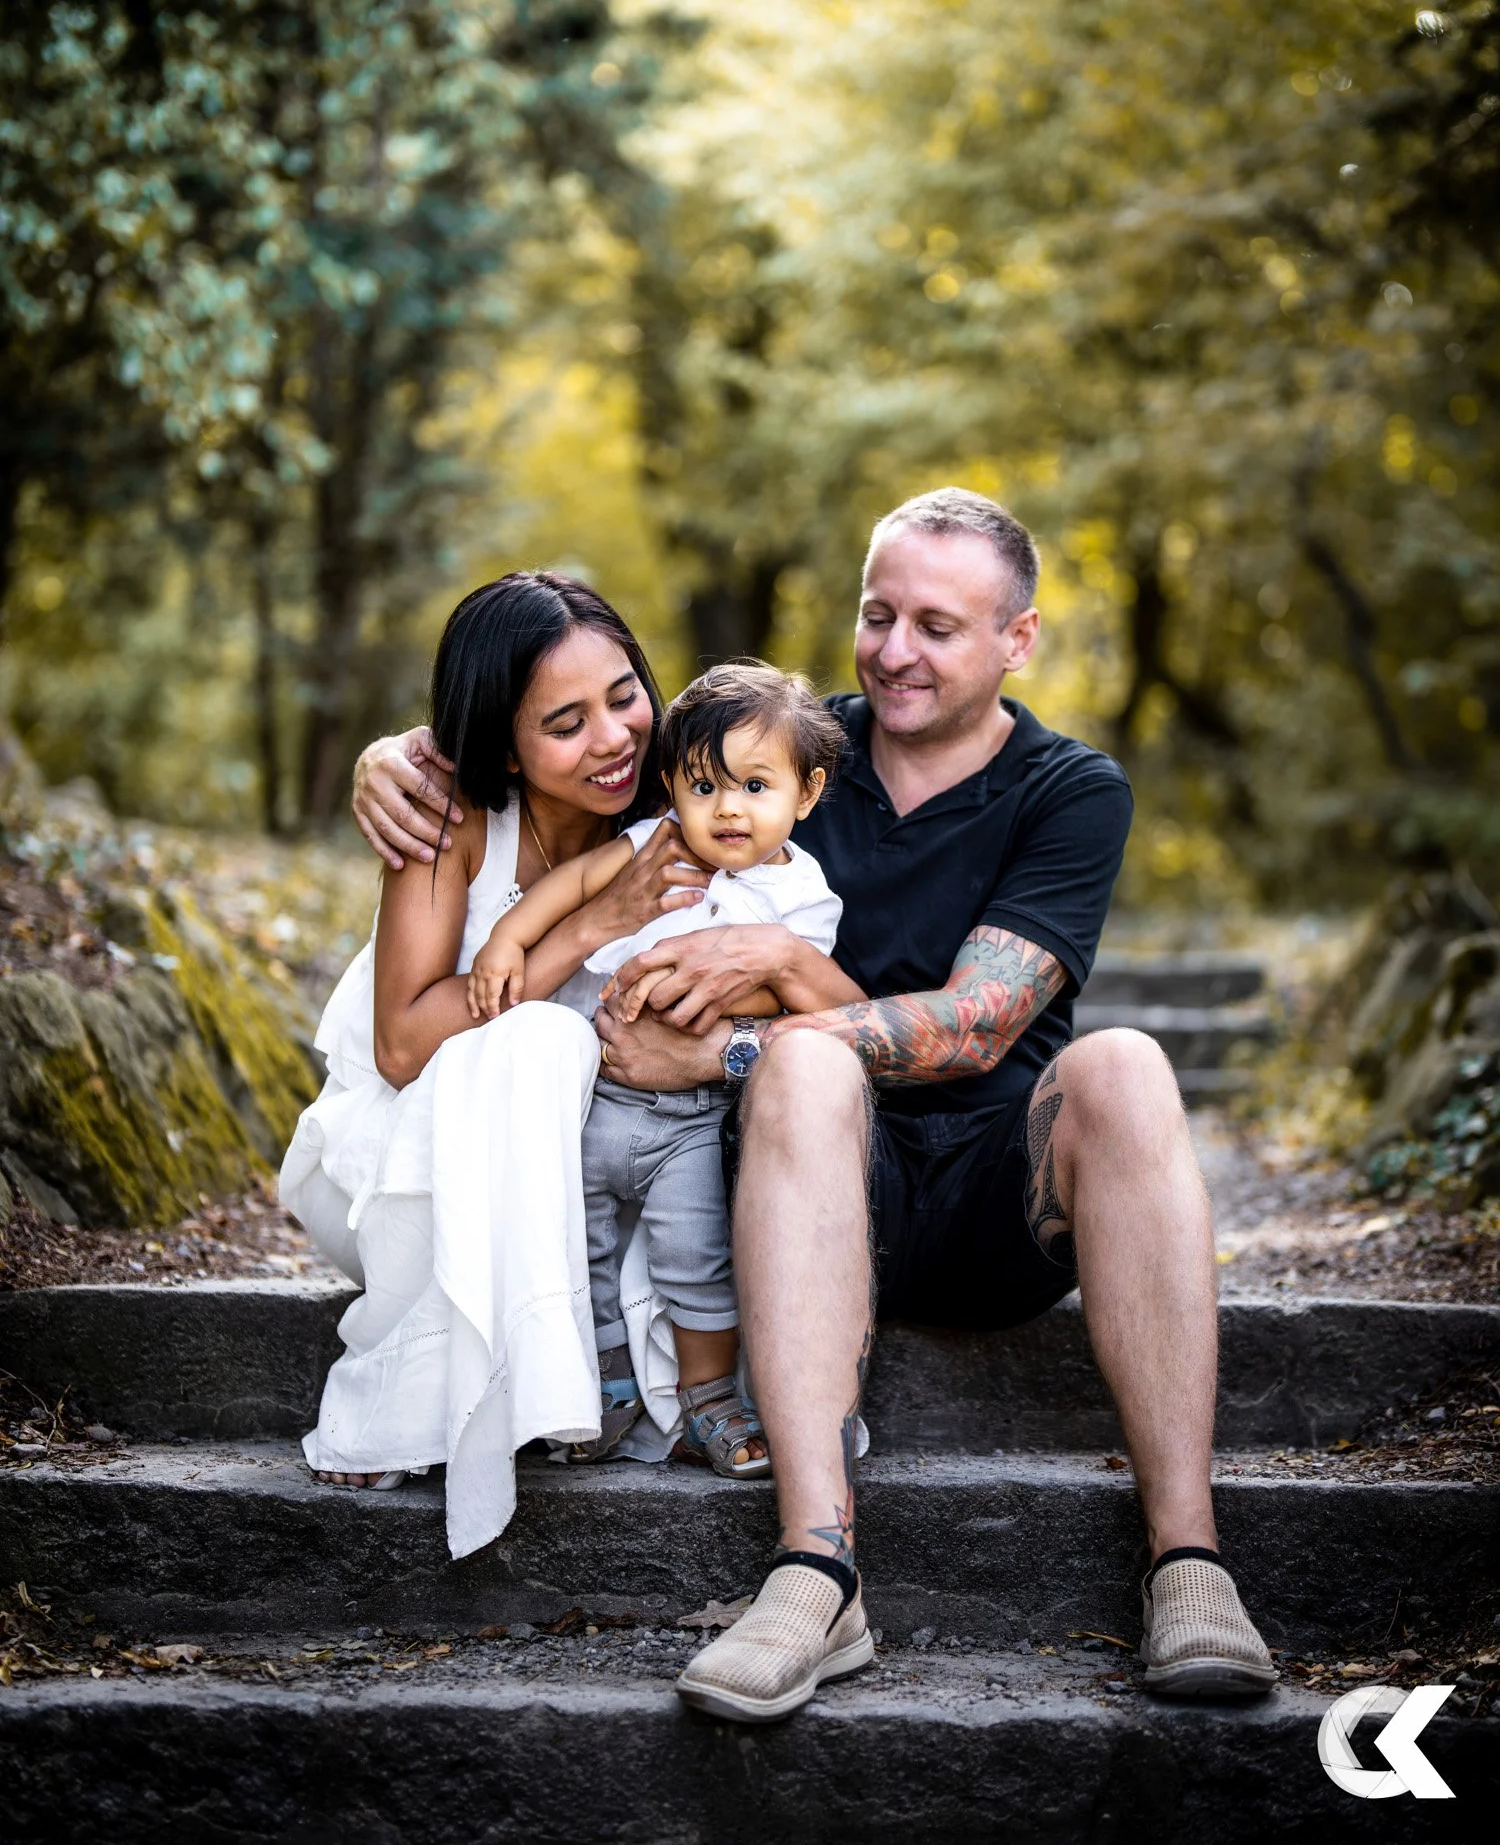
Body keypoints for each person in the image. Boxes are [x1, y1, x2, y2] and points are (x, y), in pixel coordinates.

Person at [352, 487, 1277, 1718]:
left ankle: (1190, 1557)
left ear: (1018, 639)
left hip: (1006, 1193)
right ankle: (816, 1566)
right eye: (877, 612)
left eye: (939, 625)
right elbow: (585, 740)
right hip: (812, 1191)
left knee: (1126, 1065)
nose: (896, 648)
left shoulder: (1070, 788)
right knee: (803, 1064)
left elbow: (981, 1021)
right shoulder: (776, 752)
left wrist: (769, 991)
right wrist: (409, 751)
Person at [281, 571, 718, 1560]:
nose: (612, 737)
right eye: (564, 722)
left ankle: (587, 1389)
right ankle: (399, 1398)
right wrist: (592, 924)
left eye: (622, 695)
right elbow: (402, 1042)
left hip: (598, 1168)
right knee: (543, 1038)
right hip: (410, 1155)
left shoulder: (683, 805)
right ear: (502, 743)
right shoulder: (450, 817)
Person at [468, 662, 845, 1479]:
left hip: (690, 1123)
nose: (729, 808)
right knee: (581, 1254)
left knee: (696, 1258)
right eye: (703, 786)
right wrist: (505, 940)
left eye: (755, 784)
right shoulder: (652, 846)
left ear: (806, 794)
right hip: (589, 1103)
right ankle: (600, 1391)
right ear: (670, 784)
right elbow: (569, 883)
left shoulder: (804, 898)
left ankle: (710, 1398)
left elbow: (813, 1007)